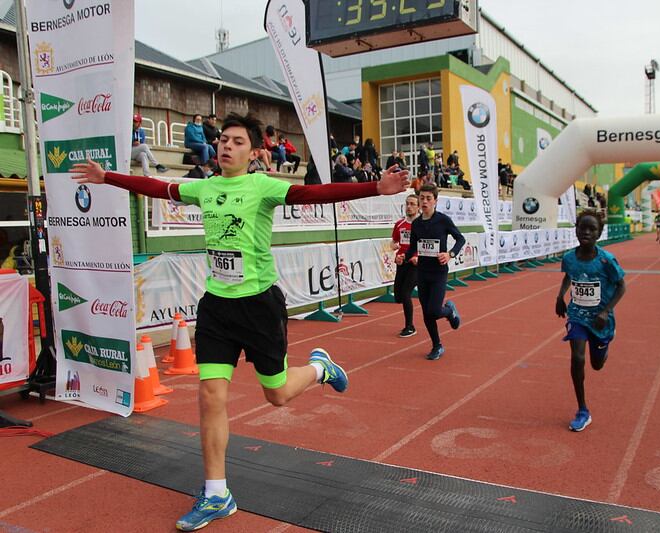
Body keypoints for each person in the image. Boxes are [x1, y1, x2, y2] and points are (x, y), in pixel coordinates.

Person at [69, 112, 409, 532]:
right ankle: (216, 493)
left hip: (259, 306)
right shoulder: (204, 187)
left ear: (253, 152)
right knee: (210, 394)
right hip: (217, 307)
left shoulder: (261, 185)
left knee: (278, 395)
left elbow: (313, 195)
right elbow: (159, 187)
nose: (226, 147)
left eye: (236, 142)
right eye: (223, 140)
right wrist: (110, 178)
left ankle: (321, 368)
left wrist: (375, 187)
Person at [555, 209, 626, 432]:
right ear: (576, 230)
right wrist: (560, 296)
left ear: (599, 233)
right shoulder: (568, 258)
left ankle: (603, 349)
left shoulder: (606, 260)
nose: (586, 232)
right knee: (577, 358)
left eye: (591, 229)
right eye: (582, 228)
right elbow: (569, 276)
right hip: (577, 316)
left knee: (596, 364)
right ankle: (582, 410)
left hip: (600, 321)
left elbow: (622, 286)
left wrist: (605, 312)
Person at [399, 183, 465, 360]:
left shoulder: (443, 220)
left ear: (435, 201)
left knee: (435, 310)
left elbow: (460, 239)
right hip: (422, 273)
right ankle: (437, 346)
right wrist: (403, 257)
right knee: (426, 313)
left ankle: (449, 312)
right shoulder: (417, 224)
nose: (424, 201)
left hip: (438, 273)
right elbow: (413, 248)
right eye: (422, 198)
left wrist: (450, 254)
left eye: (428, 198)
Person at [392, 194, 420, 337]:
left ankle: (410, 326)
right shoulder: (399, 224)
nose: (409, 207)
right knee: (398, 296)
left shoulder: (422, 224)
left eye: (412, 204)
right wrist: (395, 249)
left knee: (406, 293)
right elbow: (394, 242)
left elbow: (426, 245)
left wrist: (416, 257)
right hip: (401, 262)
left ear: (418, 207)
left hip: (415, 264)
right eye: (407, 203)